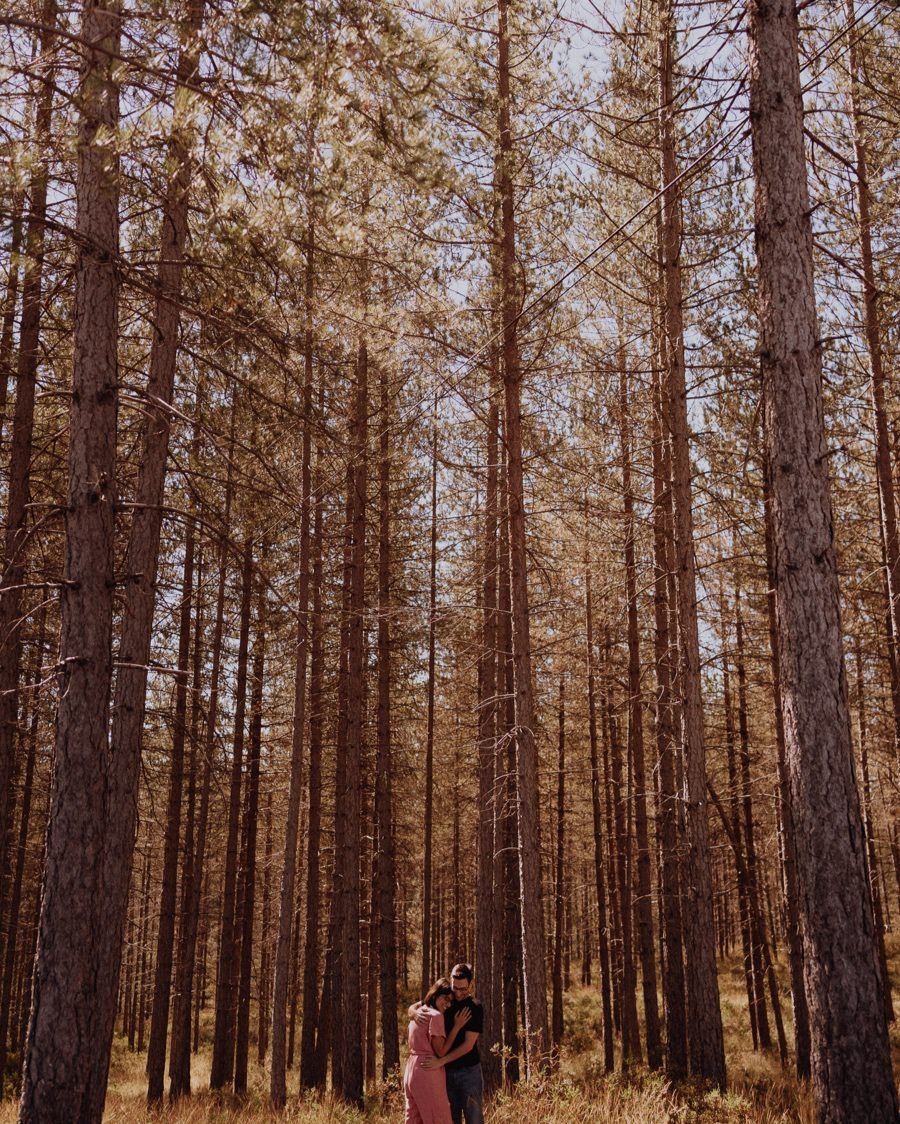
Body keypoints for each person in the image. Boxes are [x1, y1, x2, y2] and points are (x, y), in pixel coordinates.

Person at [419, 963, 484, 1124]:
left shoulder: (475, 1007)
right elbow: (418, 1005)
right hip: (445, 1073)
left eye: (463, 989)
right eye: (456, 988)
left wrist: (441, 1061)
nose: (459, 993)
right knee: (449, 1119)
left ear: (470, 984)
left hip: (470, 1072)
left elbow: (468, 1045)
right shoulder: (446, 999)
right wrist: (413, 1013)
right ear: (450, 981)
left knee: (474, 1119)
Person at [405, 977, 472, 1124]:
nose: (447, 1004)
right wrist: (456, 1027)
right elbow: (441, 1052)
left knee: (414, 1119)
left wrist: (412, 1011)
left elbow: (414, 1007)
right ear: (436, 994)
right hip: (427, 1070)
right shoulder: (435, 1016)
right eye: (445, 999)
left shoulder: (420, 1011)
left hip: (411, 1070)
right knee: (439, 1118)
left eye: (450, 1001)